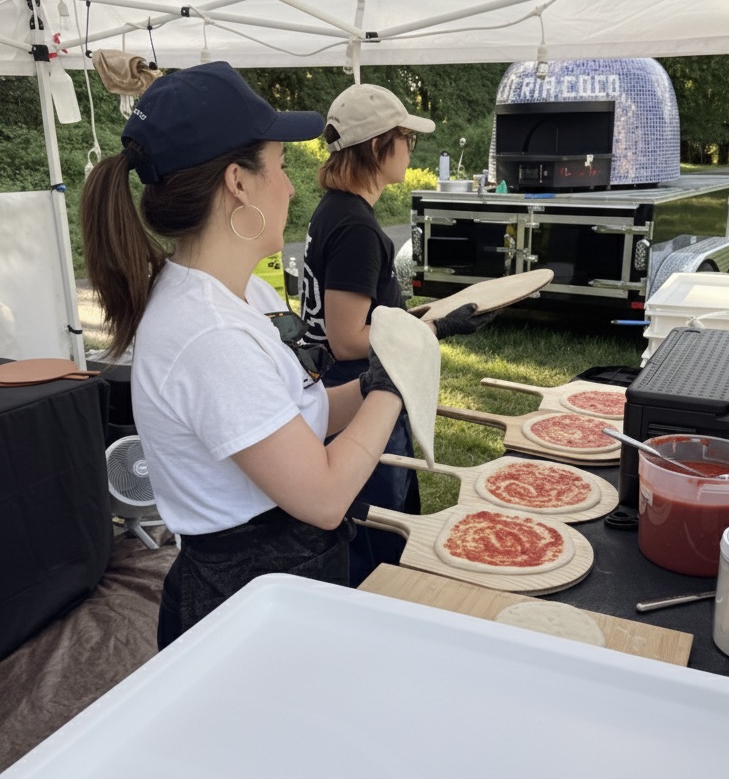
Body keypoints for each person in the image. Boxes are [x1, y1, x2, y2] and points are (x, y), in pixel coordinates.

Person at [80, 61, 417, 649]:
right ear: (238, 182)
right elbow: (324, 496)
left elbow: (300, 411)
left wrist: (371, 384)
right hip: (244, 604)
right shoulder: (207, 334)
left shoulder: (243, 294)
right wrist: (395, 385)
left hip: (283, 583)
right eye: (281, 166)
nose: (291, 186)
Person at [301, 83, 495, 586]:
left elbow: (374, 314)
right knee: (378, 539)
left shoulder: (337, 211)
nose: (412, 146)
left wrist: (431, 313)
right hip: (361, 398)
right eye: (405, 135)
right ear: (375, 146)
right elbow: (347, 338)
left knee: (384, 524)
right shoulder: (357, 227)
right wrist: (431, 330)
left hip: (352, 390)